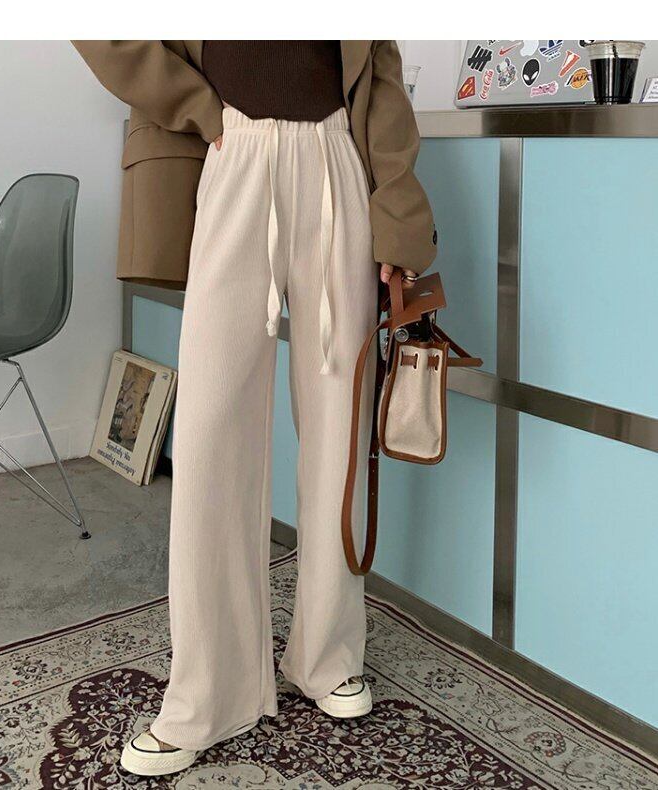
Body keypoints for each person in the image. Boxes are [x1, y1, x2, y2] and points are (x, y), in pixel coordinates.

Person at [73, 40, 436, 778]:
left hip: (337, 159)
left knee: (340, 425)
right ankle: (207, 691)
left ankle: (328, 654)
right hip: (232, 151)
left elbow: (381, 78)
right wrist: (200, 107)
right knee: (209, 434)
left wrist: (398, 214)